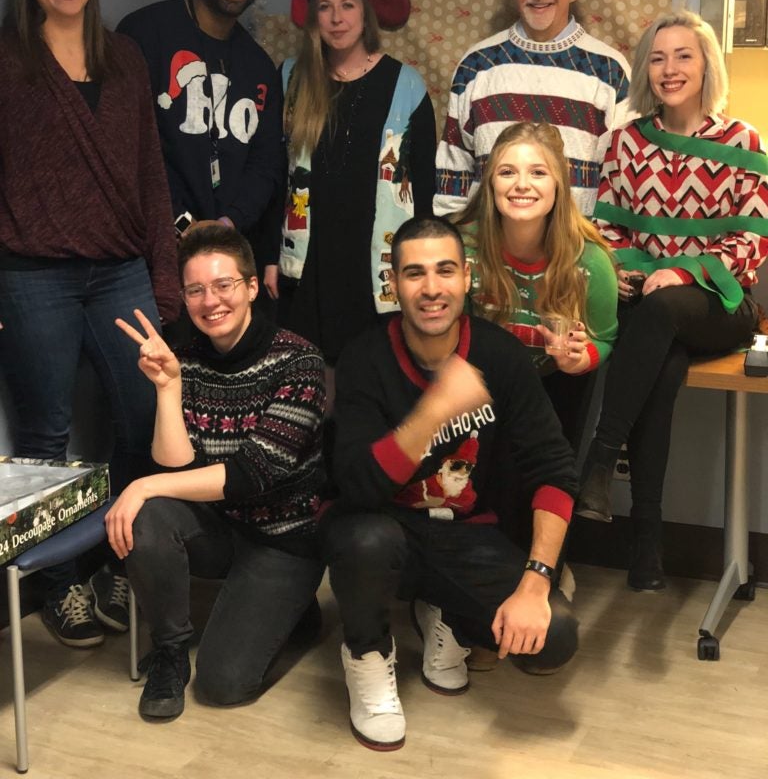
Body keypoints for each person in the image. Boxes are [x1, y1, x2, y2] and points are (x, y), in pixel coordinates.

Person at [321, 216, 578, 752]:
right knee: (363, 539)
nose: (432, 288)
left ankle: (449, 615)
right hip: (382, 529)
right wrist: (435, 409)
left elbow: (554, 470)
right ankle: (367, 657)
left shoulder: (500, 355)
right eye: (414, 274)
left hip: (467, 536)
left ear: (467, 278)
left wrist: (535, 583)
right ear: (393, 285)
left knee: (553, 639)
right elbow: (356, 485)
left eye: (444, 271)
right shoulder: (365, 356)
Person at [0, 0, 179, 647]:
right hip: (33, 272)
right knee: (46, 435)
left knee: (142, 419)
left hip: (120, 269)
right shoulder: (9, 63)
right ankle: (59, 588)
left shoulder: (126, 58)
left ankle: (114, 559)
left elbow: (149, 173)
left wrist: (161, 277)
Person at [576, 10, 768, 591]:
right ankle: (647, 540)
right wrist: (633, 274)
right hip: (653, 307)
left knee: (660, 315)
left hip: (723, 304)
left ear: (706, 63)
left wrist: (684, 271)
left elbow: (752, 241)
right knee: (660, 366)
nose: (670, 69)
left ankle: (600, 460)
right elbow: (609, 234)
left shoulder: (743, 142)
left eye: (684, 55)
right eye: (658, 58)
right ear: (644, 70)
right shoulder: (626, 142)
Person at [106, 223, 325, 721]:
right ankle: (169, 650)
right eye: (196, 290)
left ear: (251, 287)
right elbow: (175, 465)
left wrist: (143, 484)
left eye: (224, 285)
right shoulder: (185, 358)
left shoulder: (298, 360)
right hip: (218, 527)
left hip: (282, 537)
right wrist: (168, 388)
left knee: (225, 685)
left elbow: (253, 472)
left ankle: (295, 609)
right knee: (149, 515)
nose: (211, 301)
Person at [279, 0, 436, 368]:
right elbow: (275, 171)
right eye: (325, 7)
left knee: (369, 370)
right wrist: (266, 255)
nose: (336, 18)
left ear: (364, 12)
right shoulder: (293, 77)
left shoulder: (406, 84)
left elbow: (423, 185)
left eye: (347, 5)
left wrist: (421, 263)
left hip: (372, 256)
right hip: (310, 252)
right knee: (308, 371)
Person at [117, 0, 285, 302]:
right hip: (148, 250)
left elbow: (266, 163)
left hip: (224, 253)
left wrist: (226, 225)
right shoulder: (144, 33)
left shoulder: (258, 65)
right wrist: (180, 224)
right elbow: (128, 145)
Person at [434, 0, 631, 218]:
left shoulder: (609, 70)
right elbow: (453, 167)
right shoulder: (477, 65)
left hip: (578, 251)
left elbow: (623, 176)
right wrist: (455, 240)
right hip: (486, 250)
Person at [456, 121, 618, 453]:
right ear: (490, 182)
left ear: (559, 182)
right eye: (507, 172)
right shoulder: (462, 248)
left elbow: (604, 337)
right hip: (478, 389)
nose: (522, 185)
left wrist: (581, 358)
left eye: (538, 173)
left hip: (554, 389)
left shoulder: (590, 260)